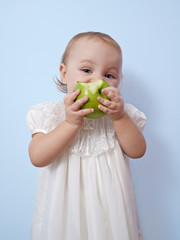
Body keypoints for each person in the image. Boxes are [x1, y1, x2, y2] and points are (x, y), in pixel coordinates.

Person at [26, 31, 147, 240]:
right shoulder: (51, 115)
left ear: (118, 81)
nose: (97, 81)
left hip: (111, 215)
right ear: (64, 73)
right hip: (63, 214)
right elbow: (37, 157)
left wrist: (119, 118)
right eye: (86, 70)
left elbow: (137, 151)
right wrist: (70, 123)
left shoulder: (120, 117)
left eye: (109, 75)